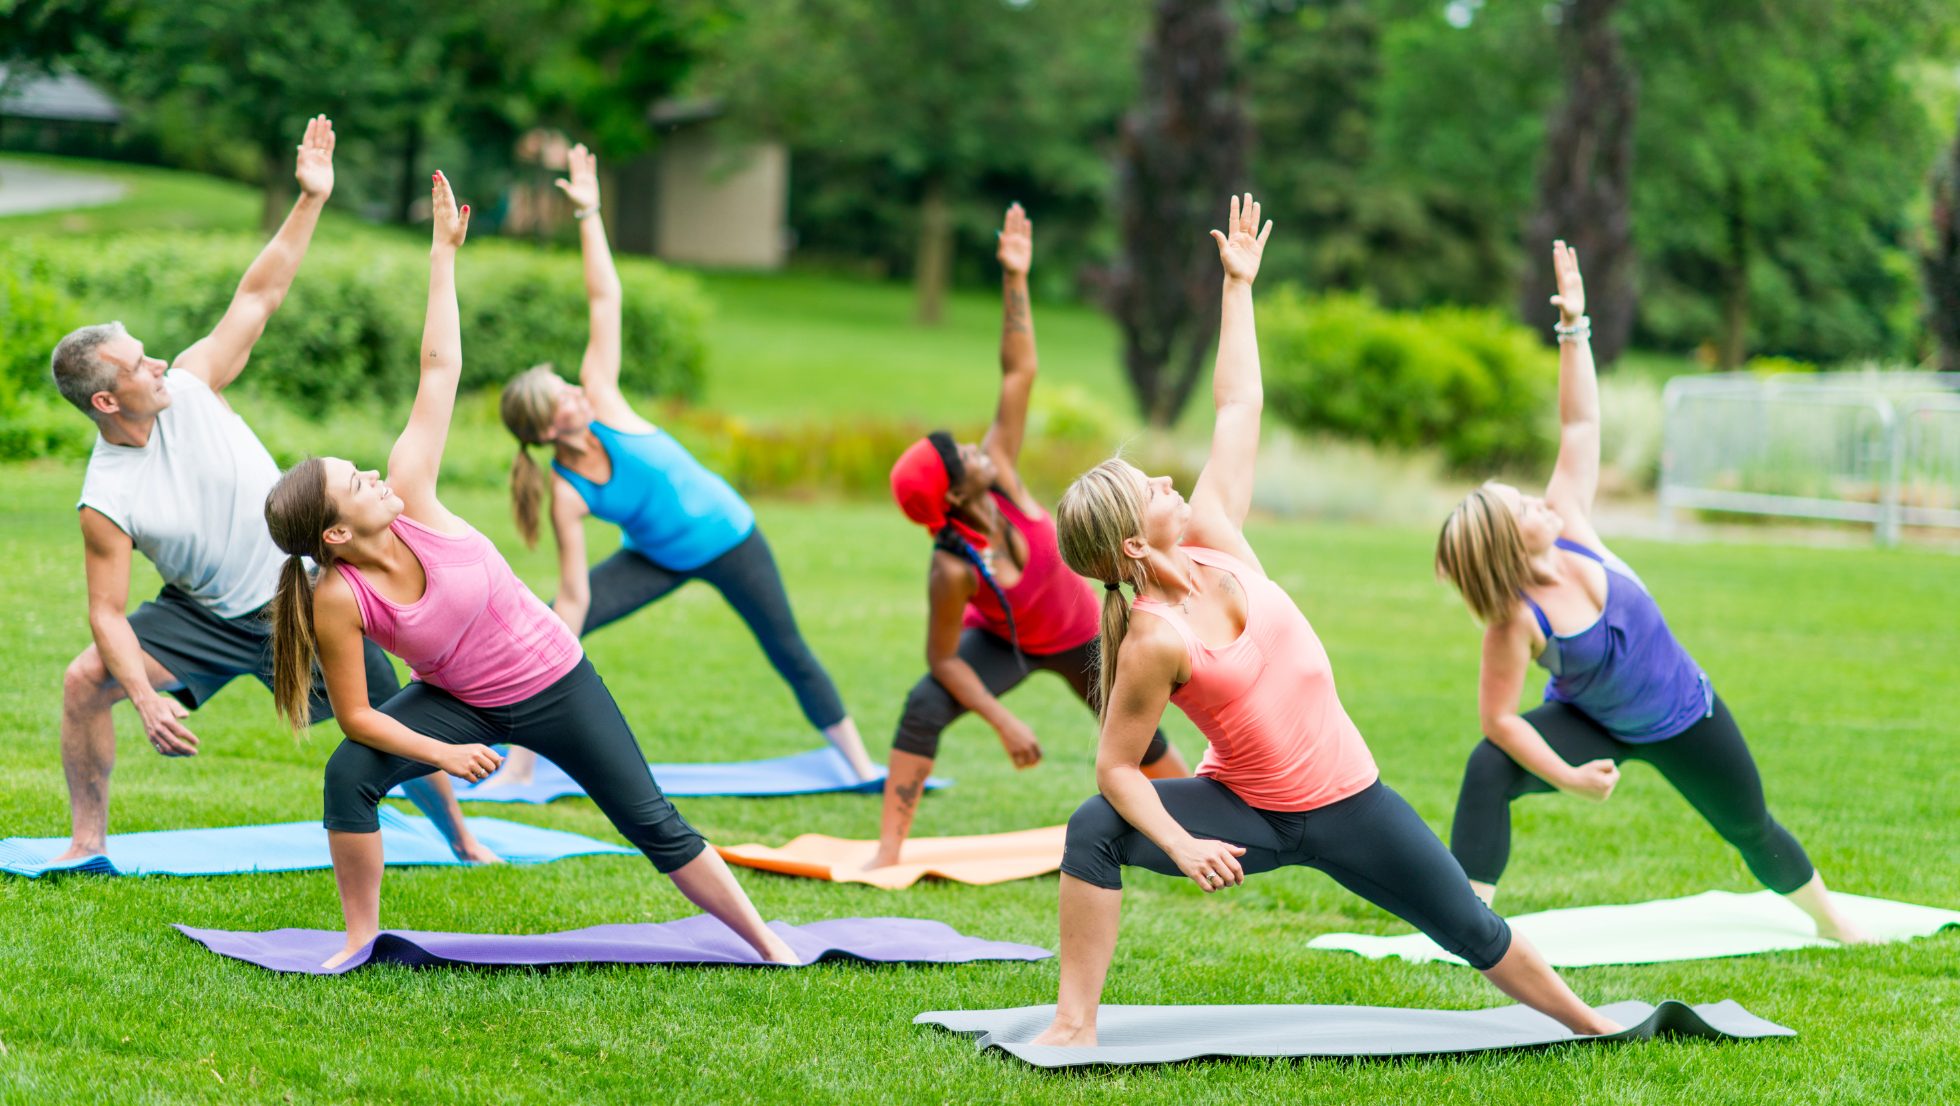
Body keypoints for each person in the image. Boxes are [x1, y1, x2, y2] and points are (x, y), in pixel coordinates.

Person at [1030, 196, 1619, 1047]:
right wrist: (1183, 844)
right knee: (1093, 831)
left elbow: (1240, 408)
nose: (1167, 481)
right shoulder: (1155, 636)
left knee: (1471, 931)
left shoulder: (1213, 536)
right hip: (1251, 814)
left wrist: (1238, 288)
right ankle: (1072, 1023)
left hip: (1352, 802)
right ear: (1130, 542)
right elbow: (1116, 771)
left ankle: (1592, 1026)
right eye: (1149, 489)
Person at [263, 171, 795, 969]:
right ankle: (358, 938)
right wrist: (442, 754)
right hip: (460, 705)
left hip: (558, 683)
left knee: (651, 822)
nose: (375, 474)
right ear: (336, 532)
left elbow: (437, 368)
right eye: (356, 481)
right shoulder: (338, 597)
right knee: (350, 774)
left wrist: (444, 253)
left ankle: (768, 944)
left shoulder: (412, 496)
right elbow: (360, 718)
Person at [45, 115, 487, 866]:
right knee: (85, 681)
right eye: (137, 366)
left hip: (303, 594)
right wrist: (148, 702)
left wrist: (311, 197)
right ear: (106, 403)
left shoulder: (190, 382)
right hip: (206, 616)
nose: (156, 366)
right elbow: (106, 614)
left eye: (150, 355)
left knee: (383, 715)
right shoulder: (106, 498)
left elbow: (261, 294)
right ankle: (86, 844)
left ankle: (465, 841)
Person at [1433, 240, 1871, 943]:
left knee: (1750, 827)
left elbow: (1579, 425)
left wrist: (1574, 328)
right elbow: (1502, 722)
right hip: (1592, 721)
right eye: (1524, 509)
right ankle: (1465, 927)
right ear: (1509, 547)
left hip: (1680, 714)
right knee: (1490, 770)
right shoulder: (1516, 622)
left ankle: (1834, 921)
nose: (1540, 504)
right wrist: (1570, 779)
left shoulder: (1572, 523)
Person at [492, 144, 875, 788]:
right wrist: (557, 636)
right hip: (657, 558)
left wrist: (590, 215)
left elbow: (603, 300)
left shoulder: (606, 400)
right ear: (549, 427)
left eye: (571, 386)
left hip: (731, 538)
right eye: (566, 397)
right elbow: (577, 592)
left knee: (789, 652)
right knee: (551, 630)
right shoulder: (567, 491)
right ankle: (521, 764)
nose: (580, 392)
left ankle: (861, 767)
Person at [870, 203, 1190, 870]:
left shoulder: (1004, 477)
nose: (975, 447)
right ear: (956, 493)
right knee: (924, 704)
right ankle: (886, 852)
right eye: (963, 455)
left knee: (1137, 735)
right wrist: (1002, 719)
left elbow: (1018, 374)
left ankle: (1188, 828)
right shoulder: (951, 567)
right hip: (1007, 646)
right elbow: (944, 659)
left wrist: (1015, 278)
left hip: (1080, 633)